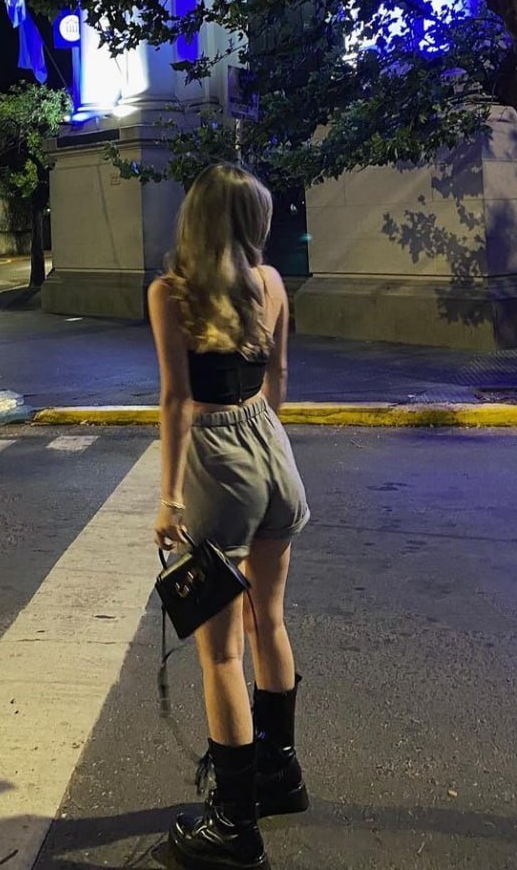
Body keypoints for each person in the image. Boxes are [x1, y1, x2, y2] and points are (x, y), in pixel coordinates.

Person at [149, 162, 310, 870]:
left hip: (217, 459)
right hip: (273, 449)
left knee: (220, 653)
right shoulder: (270, 283)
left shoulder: (172, 293)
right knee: (267, 620)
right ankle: (279, 773)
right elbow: (278, 378)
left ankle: (235, 826)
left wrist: (169, 498)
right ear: (249, 223)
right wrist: (262, 436)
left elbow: (175, 399)